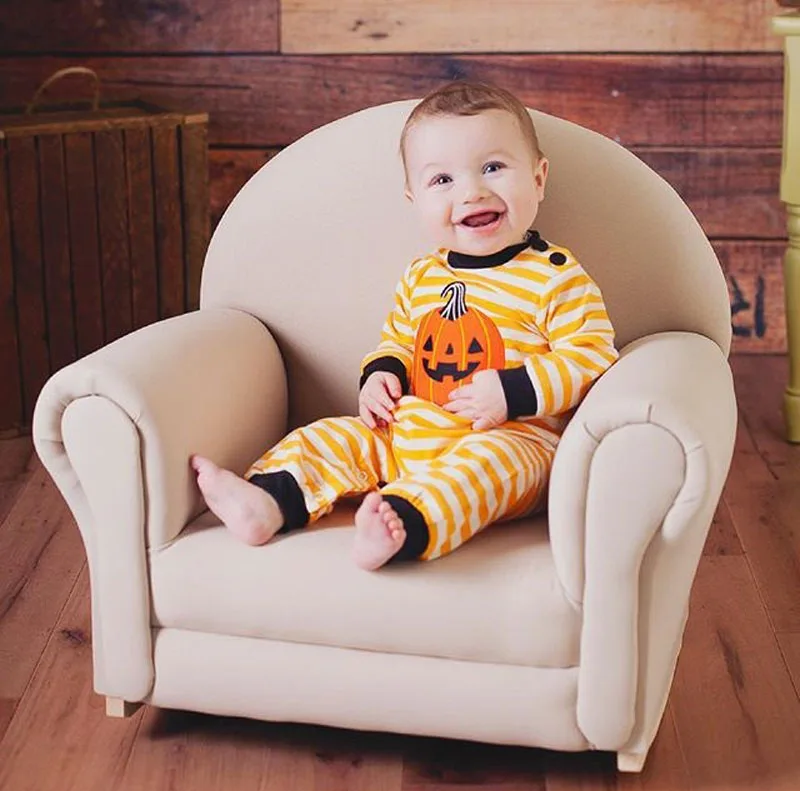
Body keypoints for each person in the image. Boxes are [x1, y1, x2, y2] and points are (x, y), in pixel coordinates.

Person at [191, 81, 618, 570]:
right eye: (443, 180)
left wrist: (513, 390)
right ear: (415, 199)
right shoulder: (422, 276)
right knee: (331, 438)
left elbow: (591, 356)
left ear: (538, 179)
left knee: (483, 469)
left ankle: (404, 523)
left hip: (514, 441)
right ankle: (267, 502)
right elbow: (397, 340)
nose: (473, 192)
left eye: (493, 168)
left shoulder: (555, 276)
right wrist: (381, 375)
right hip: (405, 437)